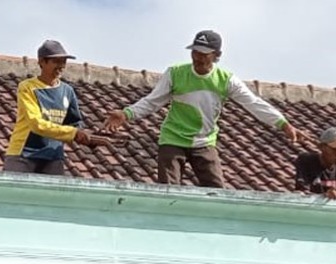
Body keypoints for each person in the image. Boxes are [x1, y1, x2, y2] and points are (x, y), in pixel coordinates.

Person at [102, 30, 301, 188]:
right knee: (168, 189)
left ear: (216, 56)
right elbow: (152, 101)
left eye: (204, 54)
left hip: (204, 142)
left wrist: (282, 123)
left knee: (216, 190)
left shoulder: (226, 80)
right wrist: (126, 114)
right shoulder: (175, 73)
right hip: (173, 138)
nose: (198, 58)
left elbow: (253, 103)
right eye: (195, 52)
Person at [3, 40, 110, 175]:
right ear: (42, 62)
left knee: (55, 189)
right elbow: (36, 124)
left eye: (63, 62)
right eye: (56, 61)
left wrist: (93, 137)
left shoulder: (67, 91)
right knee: (15, 188)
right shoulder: (27, 87)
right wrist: (74, 133)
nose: (61, 66)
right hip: (24, 153)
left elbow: (74, 124)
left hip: (53, 156)